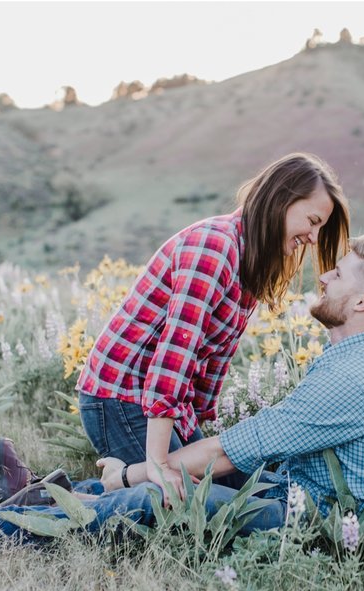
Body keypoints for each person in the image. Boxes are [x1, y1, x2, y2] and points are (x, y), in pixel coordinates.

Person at [0, 235, 364, 549]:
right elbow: (255, 446)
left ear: (361, 303)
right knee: (202, 471)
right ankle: (41, 496)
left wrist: (136, 470)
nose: (323, 278)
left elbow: (230, 448)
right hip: (306, 491)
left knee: (162, 494)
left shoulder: (353, 379)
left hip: (326, 528)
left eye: (337, 275)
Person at [76, 153, 350, 501]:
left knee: (238, 489)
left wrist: (196, 431)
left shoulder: (251, 259)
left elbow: (215, 360)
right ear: (281, 200)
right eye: (312, 221)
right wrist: (158, 463)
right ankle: (45, 501)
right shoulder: (215, 246)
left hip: (160, 403)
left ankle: (82, 488)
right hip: (121, 397)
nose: (313, 237)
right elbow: (175, 355)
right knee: (176, 499)